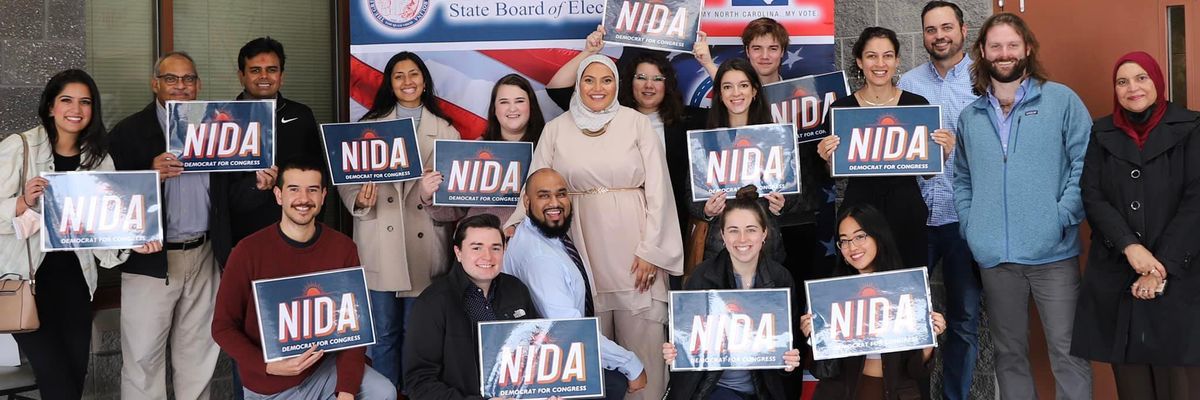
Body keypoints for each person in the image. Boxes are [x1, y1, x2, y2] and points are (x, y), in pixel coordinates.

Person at [504, 54, 683, 400]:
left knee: (644, 345)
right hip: (578, 248)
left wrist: (652, 251)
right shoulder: (556, 129)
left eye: (607, 80)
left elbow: (660, 190)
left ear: (617, 85)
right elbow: (535, 186)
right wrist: (514, 227)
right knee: (587, 349)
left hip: (635, 252)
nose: (598, 88)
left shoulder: (636, 123)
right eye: (589, 80)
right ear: (579, 84)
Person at [107, 51, 275, 400]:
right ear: (155, 84)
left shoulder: (216, 126)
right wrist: (149, 176)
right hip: (150, 261)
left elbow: (230, 201)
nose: (181, 86)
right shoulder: (128, 132)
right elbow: (109, 199)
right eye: (171, 79)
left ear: (198, 85)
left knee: (198, 355)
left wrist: (259, 187)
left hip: (205, 254)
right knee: (142, 359)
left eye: (189, 79)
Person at [954, 13, 1093, 400]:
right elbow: (962, 178)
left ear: (1027, 48)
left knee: (1068, 353)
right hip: (996, 259)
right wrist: (971, 225)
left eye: (1012, 45)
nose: (1004, 53)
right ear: (982, 52)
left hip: (1054, 256)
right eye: (995, 46)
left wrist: (1061, 216)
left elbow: (1085, 163)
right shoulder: (971, 116)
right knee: (1008, 355)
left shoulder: (1061, 100)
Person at [0, 69, 159, 400]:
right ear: (50, 107)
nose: (76, 109)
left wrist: (134, 239)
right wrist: (22, 202)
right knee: (57, 381)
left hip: (76, 285)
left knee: (73, 378)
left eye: (85, 102)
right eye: (66, 100)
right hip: (26, 285)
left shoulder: (98, 159)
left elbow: (108, 225)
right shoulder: (21, 147)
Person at [1071, 51, 1200, 399]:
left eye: (1142, 78)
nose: (1133, 88)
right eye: (1122, 81)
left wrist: (1159, 269)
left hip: (1181, 276)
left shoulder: (1192, 127)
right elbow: (1093, 195)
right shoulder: (1101, 132)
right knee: (1132, 385)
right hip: (1119, 272)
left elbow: (1195, 203)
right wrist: (1130, 247)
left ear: (1157, 81)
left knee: (1181, 384)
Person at [211, 160, 395, 400]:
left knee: (383, 392)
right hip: (269, 384)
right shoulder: (247, 251)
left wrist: (347, 391)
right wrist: (267, 365)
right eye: (294, 189)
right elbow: (222, 327)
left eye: (312, 190)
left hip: (323, 371)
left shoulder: (342, 248)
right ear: (278, 195)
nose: (303, 198)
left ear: (323, 196)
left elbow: (353, 329)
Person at [336, 51, 462, 391]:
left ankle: (415, 393)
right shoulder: (366, 128)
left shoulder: (447, 131)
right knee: (383, 333)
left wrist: (429, 192)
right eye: (399, 76)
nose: (407, 81)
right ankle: (385, 393)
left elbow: (457, 196)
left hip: (424, 245)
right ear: (390, 84)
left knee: (417, 334)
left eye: (414, 74)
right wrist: (359, 200)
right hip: (381, 241)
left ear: (424, 80)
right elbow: (347, 184)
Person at [895, 2, 983, 398]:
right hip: (917, 216)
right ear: (923, 35)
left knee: (965, 320)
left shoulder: (984, 80)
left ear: (963, 30)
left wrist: (958, 146)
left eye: (946, 27)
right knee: (906, 315)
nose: (939, 36)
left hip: (966, 219)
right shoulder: (908, 83)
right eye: (931, 30)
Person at [817, 27, 955, 270]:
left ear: (896, 60)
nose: (880, 63)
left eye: (887, 55)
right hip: (859, 210)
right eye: (871, 56)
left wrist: (942, 153)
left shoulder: (917, 105)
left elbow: (929, 172)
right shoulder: (842, 109)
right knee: (862, 286)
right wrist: (827, 157)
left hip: (906, 209)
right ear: (859, 61)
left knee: (909, 283)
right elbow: (836, 172)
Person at [505, 168, 647, 398]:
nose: (555, 202)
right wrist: (630, 364)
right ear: (527, 201)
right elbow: (569, 329)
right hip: (547, 366)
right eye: (544, 195)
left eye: (561, 194)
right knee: (614, 383)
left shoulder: (540, 234)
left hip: (553, 350)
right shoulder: (540, 258)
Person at [660, 186, 803, 400]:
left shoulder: (780, 279)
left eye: (751, 229)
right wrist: (675, 352)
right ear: (723, 235)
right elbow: (688, 347)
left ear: (764, 233)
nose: (742, 239)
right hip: (714, 388)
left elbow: (784, 350)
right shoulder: (701, 277)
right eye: (733, 230)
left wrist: (788, 363)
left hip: (762, 391)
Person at [801, 204, 947, 400]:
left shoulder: (908, 290)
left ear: (878, 236)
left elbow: (917, 372)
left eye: (860, 236)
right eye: (844, 241)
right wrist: (813, 338)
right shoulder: (832, 294)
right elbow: (822, 371)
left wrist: (929, 339)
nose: (852, 247)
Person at [404, 213, 541, 399]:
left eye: (495, 248)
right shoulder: (432, 303)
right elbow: (419, 382)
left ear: (504, 249)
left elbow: (537, 354)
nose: (487, 256)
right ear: (458, 252)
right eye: (476, 248)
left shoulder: (517, 290)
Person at [692, 59, 793, 263]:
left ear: (755, 91)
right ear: (719, 95)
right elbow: (691, 196)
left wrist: (783, 204)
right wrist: (706, 210)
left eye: (743, 85)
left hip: (767, 248)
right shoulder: (705, 141)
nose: (736, 93)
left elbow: (793, 191)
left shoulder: (777, 137)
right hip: (718, 250)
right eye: (727, 87)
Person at [417, 73, 546, 225]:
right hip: (477, 241)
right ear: (494, 109)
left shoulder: (546, 147)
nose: (512, 108)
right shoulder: (475, 149)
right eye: (504, 102)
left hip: (527, 241)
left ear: (530, 106)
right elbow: (450, 212)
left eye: (519, 101)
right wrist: (428, 195)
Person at [230, 36, 324, 244]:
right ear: (241, 76)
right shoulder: (224, 118)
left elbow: (319, 175)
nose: (264, 76)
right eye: (255, 70)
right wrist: (254, 185)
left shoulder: (301, 115)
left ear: (282, 76)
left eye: (272, 70)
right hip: (243, 236)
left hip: (296, 233)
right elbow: (218, 191)